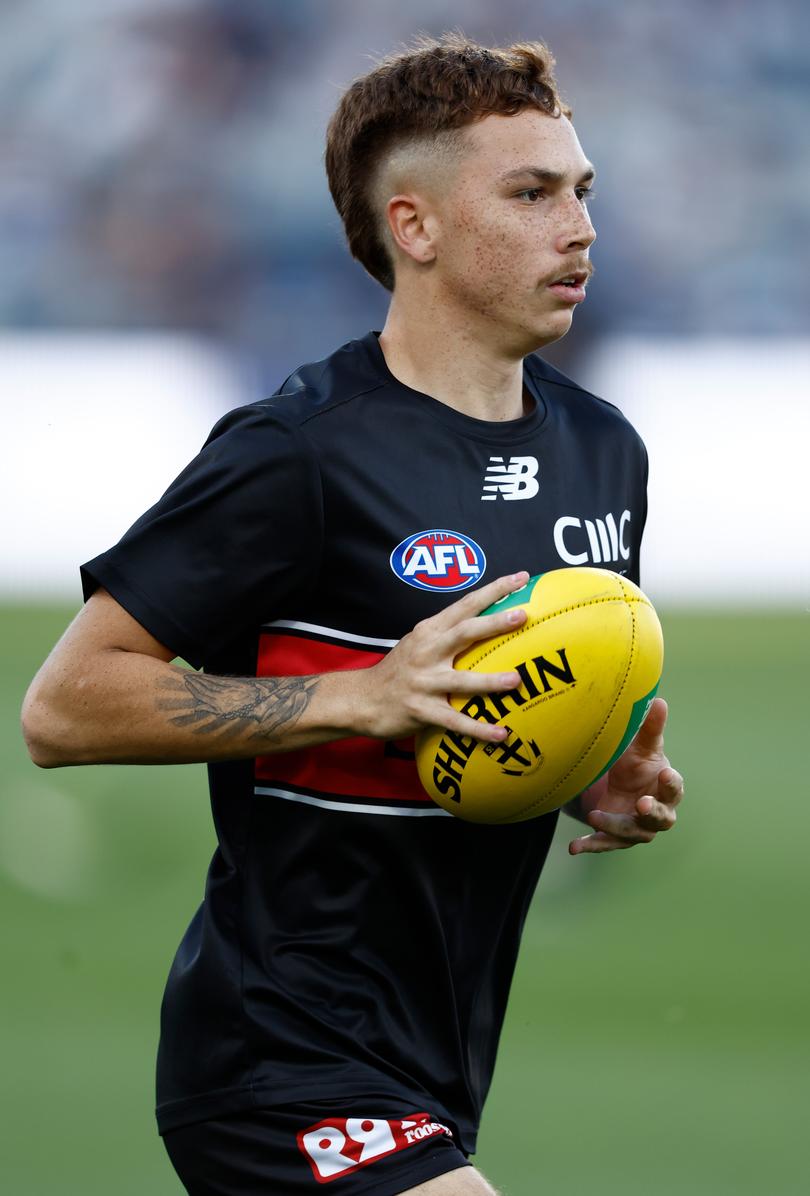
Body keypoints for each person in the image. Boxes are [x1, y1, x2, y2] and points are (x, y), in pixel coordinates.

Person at [22, 33, 684, 1196]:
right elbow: (64, 706)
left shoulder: (604, 452)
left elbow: (488, 721)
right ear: (413, 226)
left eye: (581, 192)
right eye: (529, 194)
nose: (578, 226)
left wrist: (582, 765)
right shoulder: (298, 453)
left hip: (440, 1056)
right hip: (276, 1053)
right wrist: (359, 694)